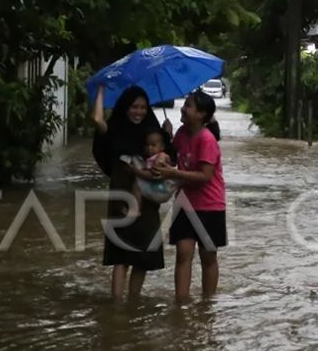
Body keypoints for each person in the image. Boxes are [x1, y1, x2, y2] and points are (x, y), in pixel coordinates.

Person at [91, 84, 174, 300]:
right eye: (134, 107)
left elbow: (166, 162)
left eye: (143, 107)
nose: (139, 112)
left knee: (144, 255)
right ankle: (118, 304)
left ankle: (133, 302)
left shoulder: (152, 131)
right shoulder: (115, 129)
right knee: (121, 255)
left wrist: (167, 135)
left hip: (147, 202)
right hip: (122, 198)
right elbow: (98, 122)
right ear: (125, 107)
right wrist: (101, 92)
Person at [154, 90, 226, 301]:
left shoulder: (207, 140)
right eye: (184, 104)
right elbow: (174, 160)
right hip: (184, 204)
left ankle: (207, 303)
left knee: (208, 257)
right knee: (183, 254)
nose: (183, 109)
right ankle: (181, 302)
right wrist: (166, 139)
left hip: (210, 206)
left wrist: (173, 173)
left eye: (188, 105)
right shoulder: (182, 133)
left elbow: (205, 176)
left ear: (201, 114)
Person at [120, 129, 175, 213]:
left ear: (162, 147)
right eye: (147, 145)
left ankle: (135, 210)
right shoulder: (152, 158)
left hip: (162, 189)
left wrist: (135, 170)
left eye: (153, 145)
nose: (149, 148)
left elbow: (153, 175)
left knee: (137, 185)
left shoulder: (161, 157)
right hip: (157, 187)